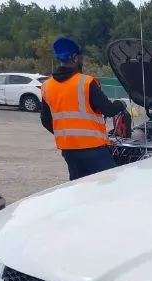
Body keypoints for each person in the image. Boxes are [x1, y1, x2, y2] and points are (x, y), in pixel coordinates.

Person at [39, 37, 130, 180]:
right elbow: (108, 110)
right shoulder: (86, 83)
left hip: (69, 150)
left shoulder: (47, 86)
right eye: (81, 57)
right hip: (94, 148)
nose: (82, 60)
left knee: (79, 188)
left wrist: (67, 134)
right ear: (75, 58)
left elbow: (45, 120)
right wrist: (121, 104)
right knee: (109, 184)